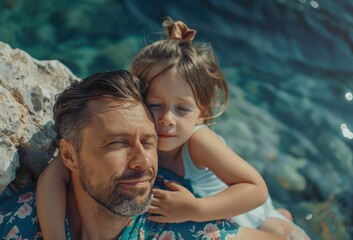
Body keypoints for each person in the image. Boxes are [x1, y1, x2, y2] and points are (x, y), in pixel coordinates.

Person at [0, 70, 285, 240]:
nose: (144, 162)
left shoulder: (177, 223)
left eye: (149, 143)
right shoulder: (17, 225)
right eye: (117, 144)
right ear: (69, 157)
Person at [130, 18, 310, 239]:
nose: (167, 118)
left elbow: (256, 189)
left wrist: (194, 210)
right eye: (155, 105)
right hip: (220, 216)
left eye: (182, 109)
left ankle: (280, 218)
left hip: (247, 213)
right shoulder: (140, 136)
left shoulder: (198, 142)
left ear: (201, 114)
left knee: (282, 233)